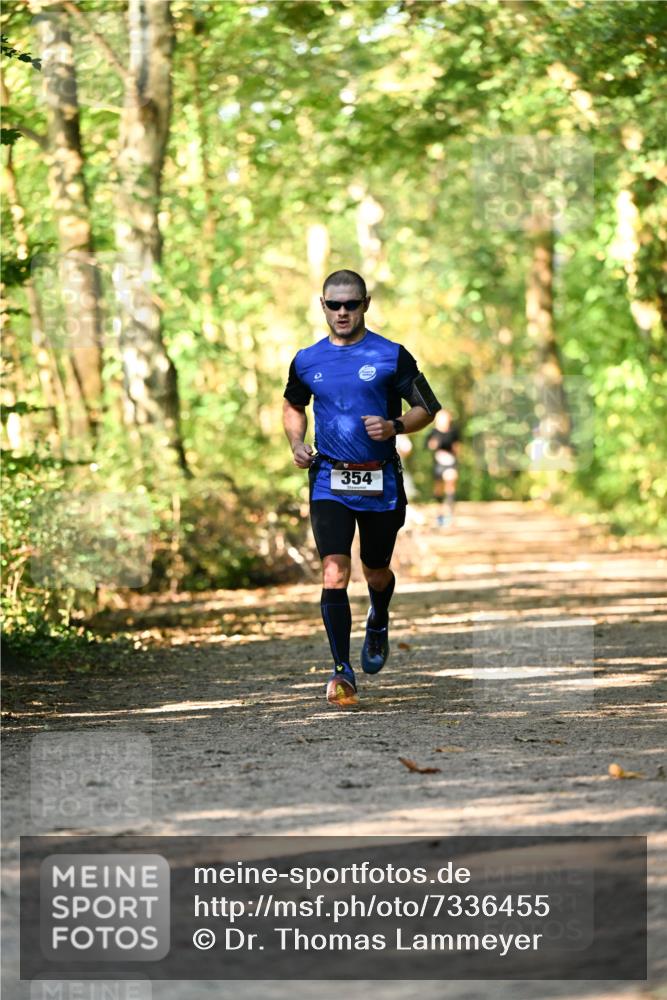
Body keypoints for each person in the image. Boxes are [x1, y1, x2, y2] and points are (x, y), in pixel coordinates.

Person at [282, 269, 441, 708]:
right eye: (334, 305)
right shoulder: (307, 360)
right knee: (334, 570)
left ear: (365, 304)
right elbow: (293, 404)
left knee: (375, 569)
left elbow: (427, 407)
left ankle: (379, 615)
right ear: (323, 306)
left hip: (380, 478)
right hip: (329, 479)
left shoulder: (391, 355)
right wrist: (297, 442)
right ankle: (341, 671)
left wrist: (394, 425)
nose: (343, 312)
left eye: (351, 304)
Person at [426, 408, 461, 527]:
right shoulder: (433, 432)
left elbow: (458, 448)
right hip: (438, 464)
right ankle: (439, 515)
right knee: (438, 490)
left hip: (451, 463)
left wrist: (455, 460)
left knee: (450, 483)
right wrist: (433, 444)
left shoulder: (454, 432)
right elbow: (428, 446)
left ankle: (450, 514)